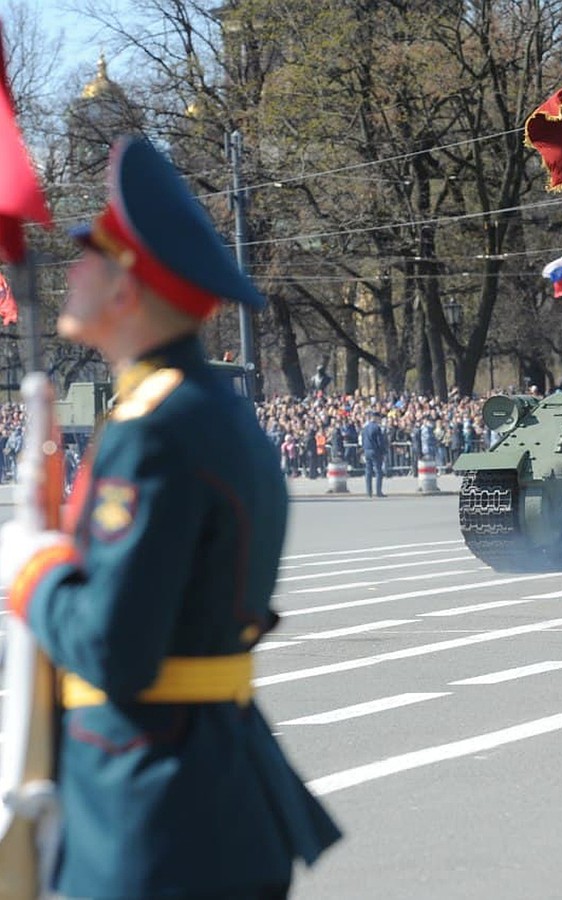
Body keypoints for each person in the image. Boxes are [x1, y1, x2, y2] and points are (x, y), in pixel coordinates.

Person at [0, 137, 340, 898]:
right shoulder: (204, 412)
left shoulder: (155, 431)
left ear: (125, 289)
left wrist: (33, 569)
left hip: (152, 814)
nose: (73, 270)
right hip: (205, 794)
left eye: (91, 255)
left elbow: (115, 648)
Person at [361, 408, 389, 497]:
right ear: (376, 418)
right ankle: (378, 491)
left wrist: (364, 449)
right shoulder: (377, 428)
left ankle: (369, 492)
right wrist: (383, 452)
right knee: (378, 471)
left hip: (367, 450)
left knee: (368, 472)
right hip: (375, 451)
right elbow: (380, 442)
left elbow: (363, 440)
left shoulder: (365, 428)